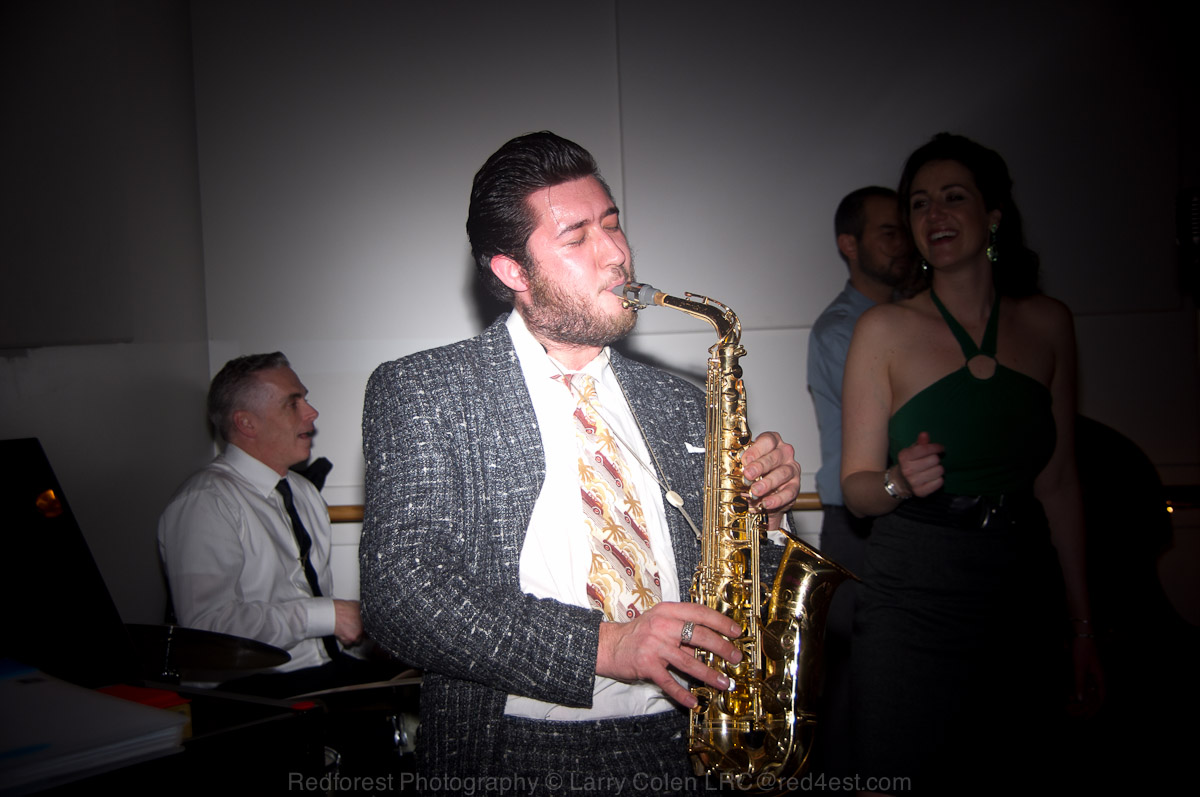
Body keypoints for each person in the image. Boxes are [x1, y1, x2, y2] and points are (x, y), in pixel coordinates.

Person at [359, 131, 802, 793]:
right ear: (512, 271)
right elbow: (403, 595)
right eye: (577, 237)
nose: (616, 253)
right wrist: (607, 645)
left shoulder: (687, 403)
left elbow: (745, 590)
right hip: (515, 752)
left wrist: (769, 518)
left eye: (613, 224)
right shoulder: (424, 390)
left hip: (689, 743)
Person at [840, 133, 1104, 794]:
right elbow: (858, 490)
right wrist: (898, 480)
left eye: (953, 198)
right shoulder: (882, 330)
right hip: (915, 585)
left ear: (994, 215)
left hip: (1021, 584)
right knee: (891, 775)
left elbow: (1060, 485)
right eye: (919, 203)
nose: (934, 215)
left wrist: (1082, 627)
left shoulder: (1049, 323)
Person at [158, 352, 370, 697]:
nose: (312, 412)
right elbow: (207, 629)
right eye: (293, 403)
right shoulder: (205, 502)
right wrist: (327, 616)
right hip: (246, 692)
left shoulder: (303, 493)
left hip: (320, 673)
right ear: (247, 423)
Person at [805, 186, 912, 778]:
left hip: (901, 521)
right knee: (853, 690)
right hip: (858, 528)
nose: (905, 242)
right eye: (888, 231)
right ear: (850, 245)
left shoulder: (911, 320)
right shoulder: (841, 330)